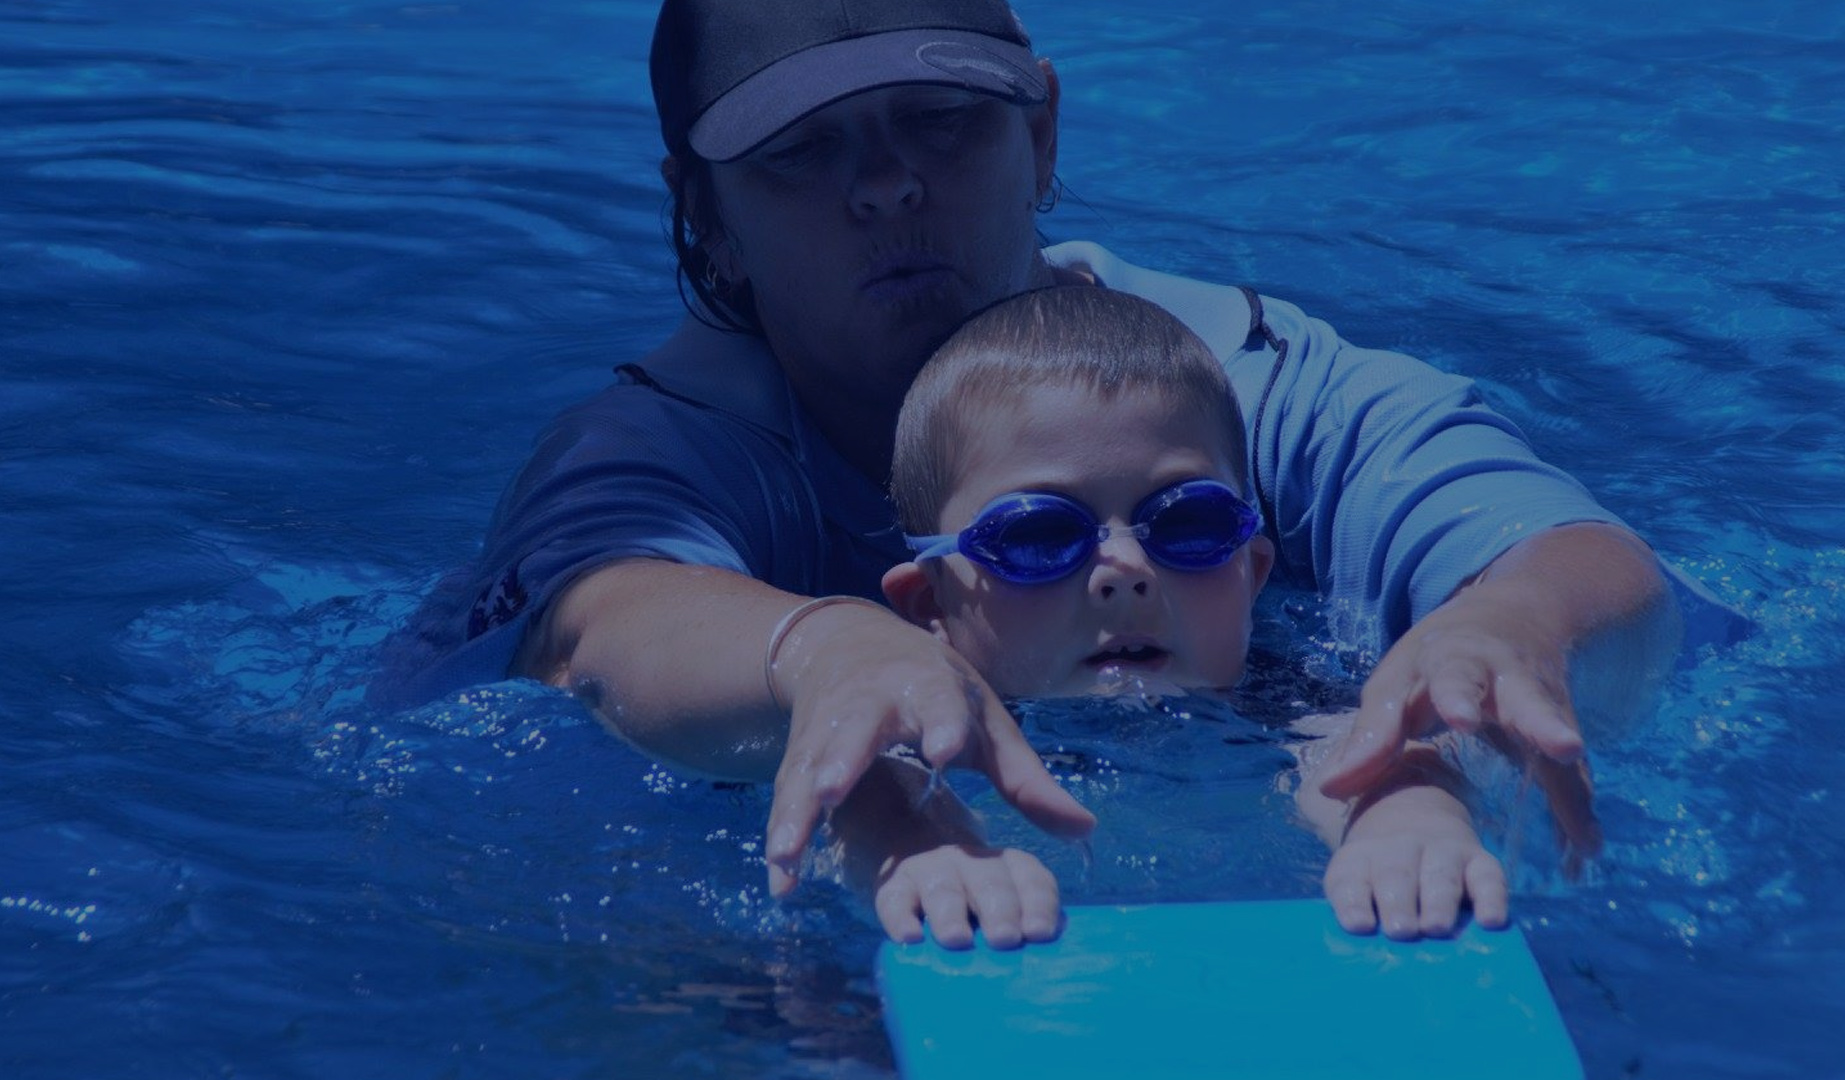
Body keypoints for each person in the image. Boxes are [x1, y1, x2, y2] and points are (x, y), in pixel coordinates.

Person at [373, 0, 1747, 901]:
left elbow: (1581, 558)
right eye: (806, 151)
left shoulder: (1226, 383)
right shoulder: (664, 449)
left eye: (943, 122)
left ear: (1041, 133)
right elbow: (600, 622)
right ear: (705, 214)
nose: (890, 184)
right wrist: (827, 652)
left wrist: (1509, 626)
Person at [826, 285, 1505, 947]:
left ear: (1252, 573)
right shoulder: (925, 740)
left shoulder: (1284, 715)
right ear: (930, 605)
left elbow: (1367, 760)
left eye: (1190, 523)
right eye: (1038, 536)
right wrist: (910, 843)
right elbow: (861, 785)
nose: (1126, 570)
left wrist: (1409, 817)